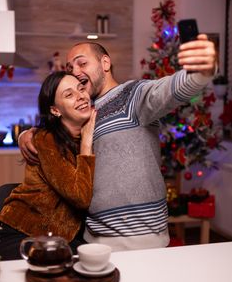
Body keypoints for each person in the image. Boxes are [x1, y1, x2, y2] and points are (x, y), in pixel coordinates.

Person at [18, 35, 216, 251]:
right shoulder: (82, 112)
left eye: (82, 63)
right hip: (91, 240)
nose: (75, 71)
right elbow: (55, 134)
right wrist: (30, 133)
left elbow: (168, 91)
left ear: (105, 63)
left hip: (141, 240)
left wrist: (201, 72)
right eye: (70, 66)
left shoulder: (132, 96)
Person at [0, 72, 96, 260]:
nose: (80, 96)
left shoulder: (80, 136)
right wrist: (87, 142)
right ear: (55, 110)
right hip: (22, 232)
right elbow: (81, 197)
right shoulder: (46, 139)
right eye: (69, 95)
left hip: (59, 237)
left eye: (81, 89)